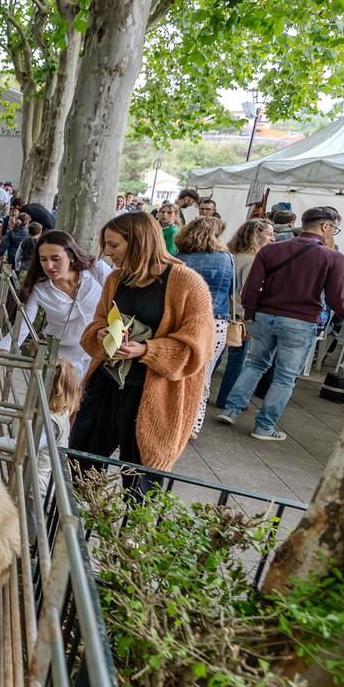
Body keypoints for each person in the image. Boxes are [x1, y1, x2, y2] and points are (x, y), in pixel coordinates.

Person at [69, 212, 214, 497]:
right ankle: (70, 532)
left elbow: (198, 347)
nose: (107, 253)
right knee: (80, 462)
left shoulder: (187, 283)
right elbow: (96, 325)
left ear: (138, 242)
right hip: (106, 385)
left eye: (113, 245)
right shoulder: (116, 279)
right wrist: (100, 334)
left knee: (141, 480)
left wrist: (147, 350)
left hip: (152, 396)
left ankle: (129, 540)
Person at [217, 206, 344, 440]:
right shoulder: (333, 257)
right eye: (334, 229)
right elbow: (336, 299)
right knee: (285, 377)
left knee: (256, 364)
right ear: (325, 226)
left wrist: (251, 313)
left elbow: (250, 289)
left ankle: (231, 410)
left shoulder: (271, 250)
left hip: (265, 316)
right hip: (301, 321)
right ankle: (264, 426)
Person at [0, 230, 111, 378]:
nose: (49, 266)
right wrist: (0, 357)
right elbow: (22, 328)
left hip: (100, 355)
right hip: (58, 360)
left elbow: (121, 301)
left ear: (71, 255)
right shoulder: (39, 289)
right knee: (49, 400)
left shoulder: (97, 270)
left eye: (56, 258)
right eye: (43, 259)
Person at [174, 216, 235, 437]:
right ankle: (193, 424)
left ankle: (174, 417)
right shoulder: (227, 258)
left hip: (181, 319)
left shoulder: (178, 258)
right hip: (215, 321)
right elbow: (232, 291)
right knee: (204, 373)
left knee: (178, 369)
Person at [215, 218, 275, 408]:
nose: (272, 238)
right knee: (237, 359)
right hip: (240, 315)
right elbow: (248, 292)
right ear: (256, 235)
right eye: (269, 234)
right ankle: (226, 399)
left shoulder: (231, 255)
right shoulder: (252, 260)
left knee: (217, 354)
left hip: (226, 311)